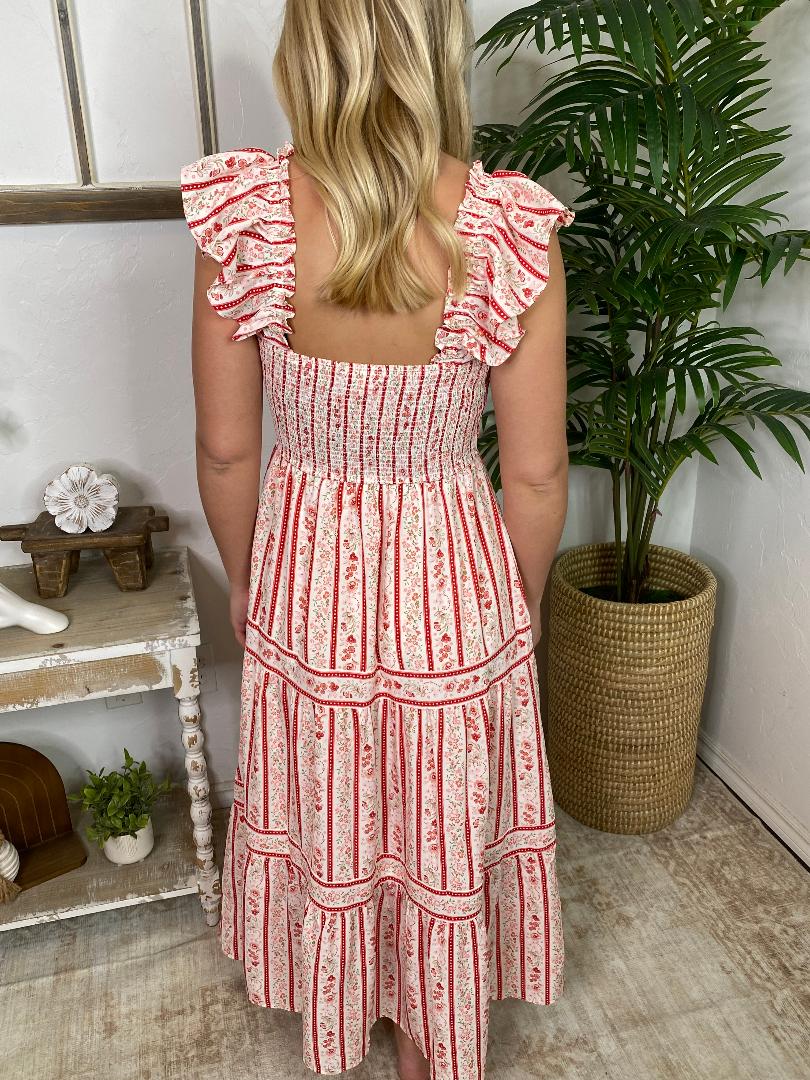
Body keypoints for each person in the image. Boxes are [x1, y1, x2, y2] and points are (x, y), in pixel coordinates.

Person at [180, 0, 573, 1076]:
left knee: (340, 789)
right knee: (437, 799)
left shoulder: (250, 219)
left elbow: (224, 454)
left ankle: (349, 1003)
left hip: (310, 570)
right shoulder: (502, 227)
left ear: (308, 51)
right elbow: (536, 473)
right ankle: (429, 1032)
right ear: (438, 48)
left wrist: (251, 578)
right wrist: (521, 597)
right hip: (456, 569)